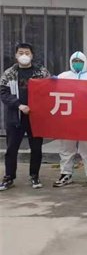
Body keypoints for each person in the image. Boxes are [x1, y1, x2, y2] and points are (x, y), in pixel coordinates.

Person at [0, 43, 50, 191]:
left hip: (35, 117)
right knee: (11, 148)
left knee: (36, 148)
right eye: (21, 53)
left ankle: (34, 175)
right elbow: (3, 93)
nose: (24, 56)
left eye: (27, 53)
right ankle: (9, 177)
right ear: (16, 55)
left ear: (32, 55)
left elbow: (51, 89)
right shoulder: (9, 73)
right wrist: (18, 105)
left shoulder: (41, 72)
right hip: (15, 117)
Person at [53, 52, 87, 188]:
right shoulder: (63, 76)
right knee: (66, 148)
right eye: (75, 61)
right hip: (68, 119)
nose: (77, 63)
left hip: (86, 119)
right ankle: (65, 174)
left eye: (80, 61)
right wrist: (50, 83)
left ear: (85, 62)